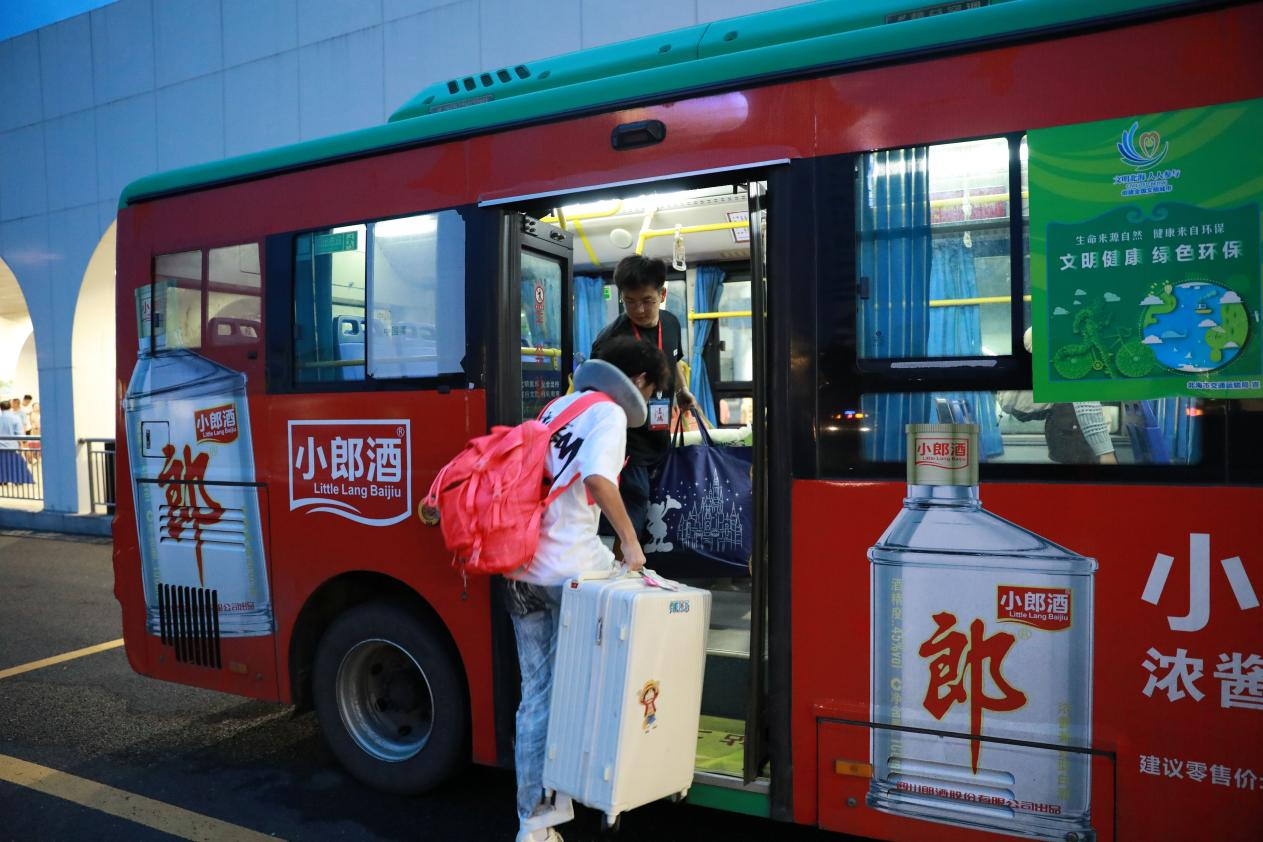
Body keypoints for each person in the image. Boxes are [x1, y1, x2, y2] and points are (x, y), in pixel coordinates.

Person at [504, 335, 672, 842]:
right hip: (570, 574)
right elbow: (599, 479)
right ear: (639, 381)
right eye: (651, 388)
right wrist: (631, 544)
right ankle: (607, 783)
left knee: (537, 696)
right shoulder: (609, 414)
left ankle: (534, 823)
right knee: (607, 677)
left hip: (520, 569)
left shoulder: (559, 406)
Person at [590, 255, 695, 546]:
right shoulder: (611, 339)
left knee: (657, 515)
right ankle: (623, 571)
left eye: (647, 301)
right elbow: (594, 394)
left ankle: (639, 567)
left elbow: (673, 360)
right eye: (630, 301)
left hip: (659, 440)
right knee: (629, 517)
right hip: (627, 447)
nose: (638, 309)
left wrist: (682, 391)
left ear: (662, 294)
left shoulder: (671, 323)